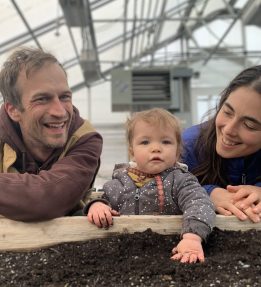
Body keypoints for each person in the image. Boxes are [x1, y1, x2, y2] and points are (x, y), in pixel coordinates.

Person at [85, 108, 215, 263]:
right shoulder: (118, 183)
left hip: (169, 250)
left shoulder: (181, 180)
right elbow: (103, 199)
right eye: (145, 142)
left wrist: (192, 238)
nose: (156, 148)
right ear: (132, 151)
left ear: (178, 151)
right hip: (123, 253)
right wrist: (97, 206)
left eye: (166, 142)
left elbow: (200, 204)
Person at [0, 47, 102, 221]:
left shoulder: (85, 139)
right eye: (42, 99)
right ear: (14, 110)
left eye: (64, 97)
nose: (60, 112)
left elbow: (47, 199)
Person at [182, 65, 261, 223]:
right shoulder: (187, 146)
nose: (229, 129)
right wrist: (205, 193)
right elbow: (148, 191)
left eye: (249, 125)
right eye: (227, 112)